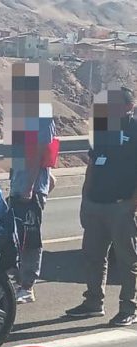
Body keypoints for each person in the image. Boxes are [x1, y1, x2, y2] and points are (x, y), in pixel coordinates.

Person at [65, 86, 137, 326]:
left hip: (121, 206)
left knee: (127, 260)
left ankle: (129, 307)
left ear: (129, 106)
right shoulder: (103, 127)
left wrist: (132, 204)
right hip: (96, 203)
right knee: (94, 256)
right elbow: (93, 163)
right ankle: (94, 302)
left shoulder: (135, 129)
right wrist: (85, 198)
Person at [7, 62, 59, 304]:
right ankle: (18, 278)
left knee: (30, 236)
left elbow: (40, 150)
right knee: (17, 235)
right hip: (20, 183)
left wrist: (29, 185)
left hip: (29, 187)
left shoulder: (41, 112)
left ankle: (27, 285)